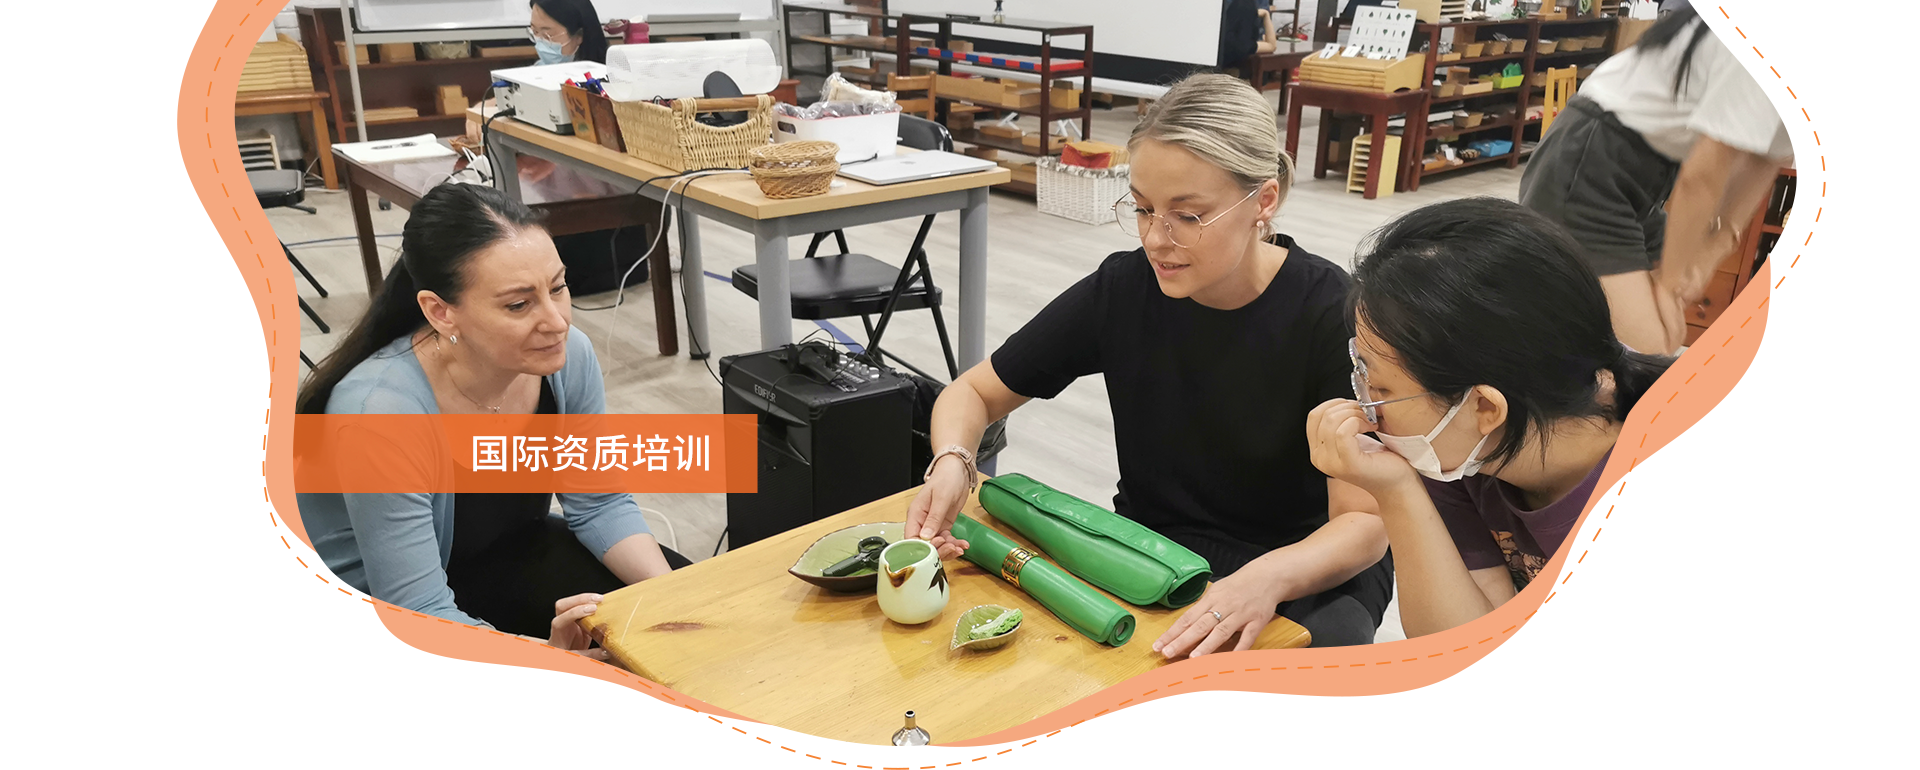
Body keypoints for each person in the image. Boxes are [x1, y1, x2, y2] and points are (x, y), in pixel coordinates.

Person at [906, 74, 1393, 751]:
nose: (1157, 239)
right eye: (1141, 209)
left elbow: (1366, 524)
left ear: (1264, 201)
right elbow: (975, 393)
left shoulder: (1329, 314)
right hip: (1156, 539)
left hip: (1306, 559)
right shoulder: (1124, 289)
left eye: (1187, 216)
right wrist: (955, 460)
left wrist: (1264, 578)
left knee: (1321, 663)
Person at [1306, 198, 1798, 751]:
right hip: (1603, 678)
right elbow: (1470, 666)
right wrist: (1397, 491)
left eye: (1380, 387)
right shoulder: (1478, 440)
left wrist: (1534, 622)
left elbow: (1723, 750)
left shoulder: (1704, 523)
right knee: (1437, 735)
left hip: (1740, 738)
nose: (1367, 408)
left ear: (1484, 407)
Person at [276, 183, 689, 750]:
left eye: (558, 287)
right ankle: (515, 690)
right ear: (440, 311)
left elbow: (600, 503)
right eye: (519, 305)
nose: (556, 320)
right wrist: (530, 661)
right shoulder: (380, 412)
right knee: (475, 731)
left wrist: (675, 597)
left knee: (664, 602)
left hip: (490, 556)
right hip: (369, 599)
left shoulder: (566, 358)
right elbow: (414, 612)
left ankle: (519, 681)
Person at [1518, 0, 1799, 354]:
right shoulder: (1784, 39)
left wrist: (1713, 249)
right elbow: (1701, 177)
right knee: (1651, 349)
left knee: (1660, 339)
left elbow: (1764, 157)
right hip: (1596, 155)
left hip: (1649, 169)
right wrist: (1670, 280)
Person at [529, 0, 608, 65]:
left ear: (579, 35)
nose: (540, 44)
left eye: (547, 35)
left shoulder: (604, 73)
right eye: (535, 32)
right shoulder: (537, 69)